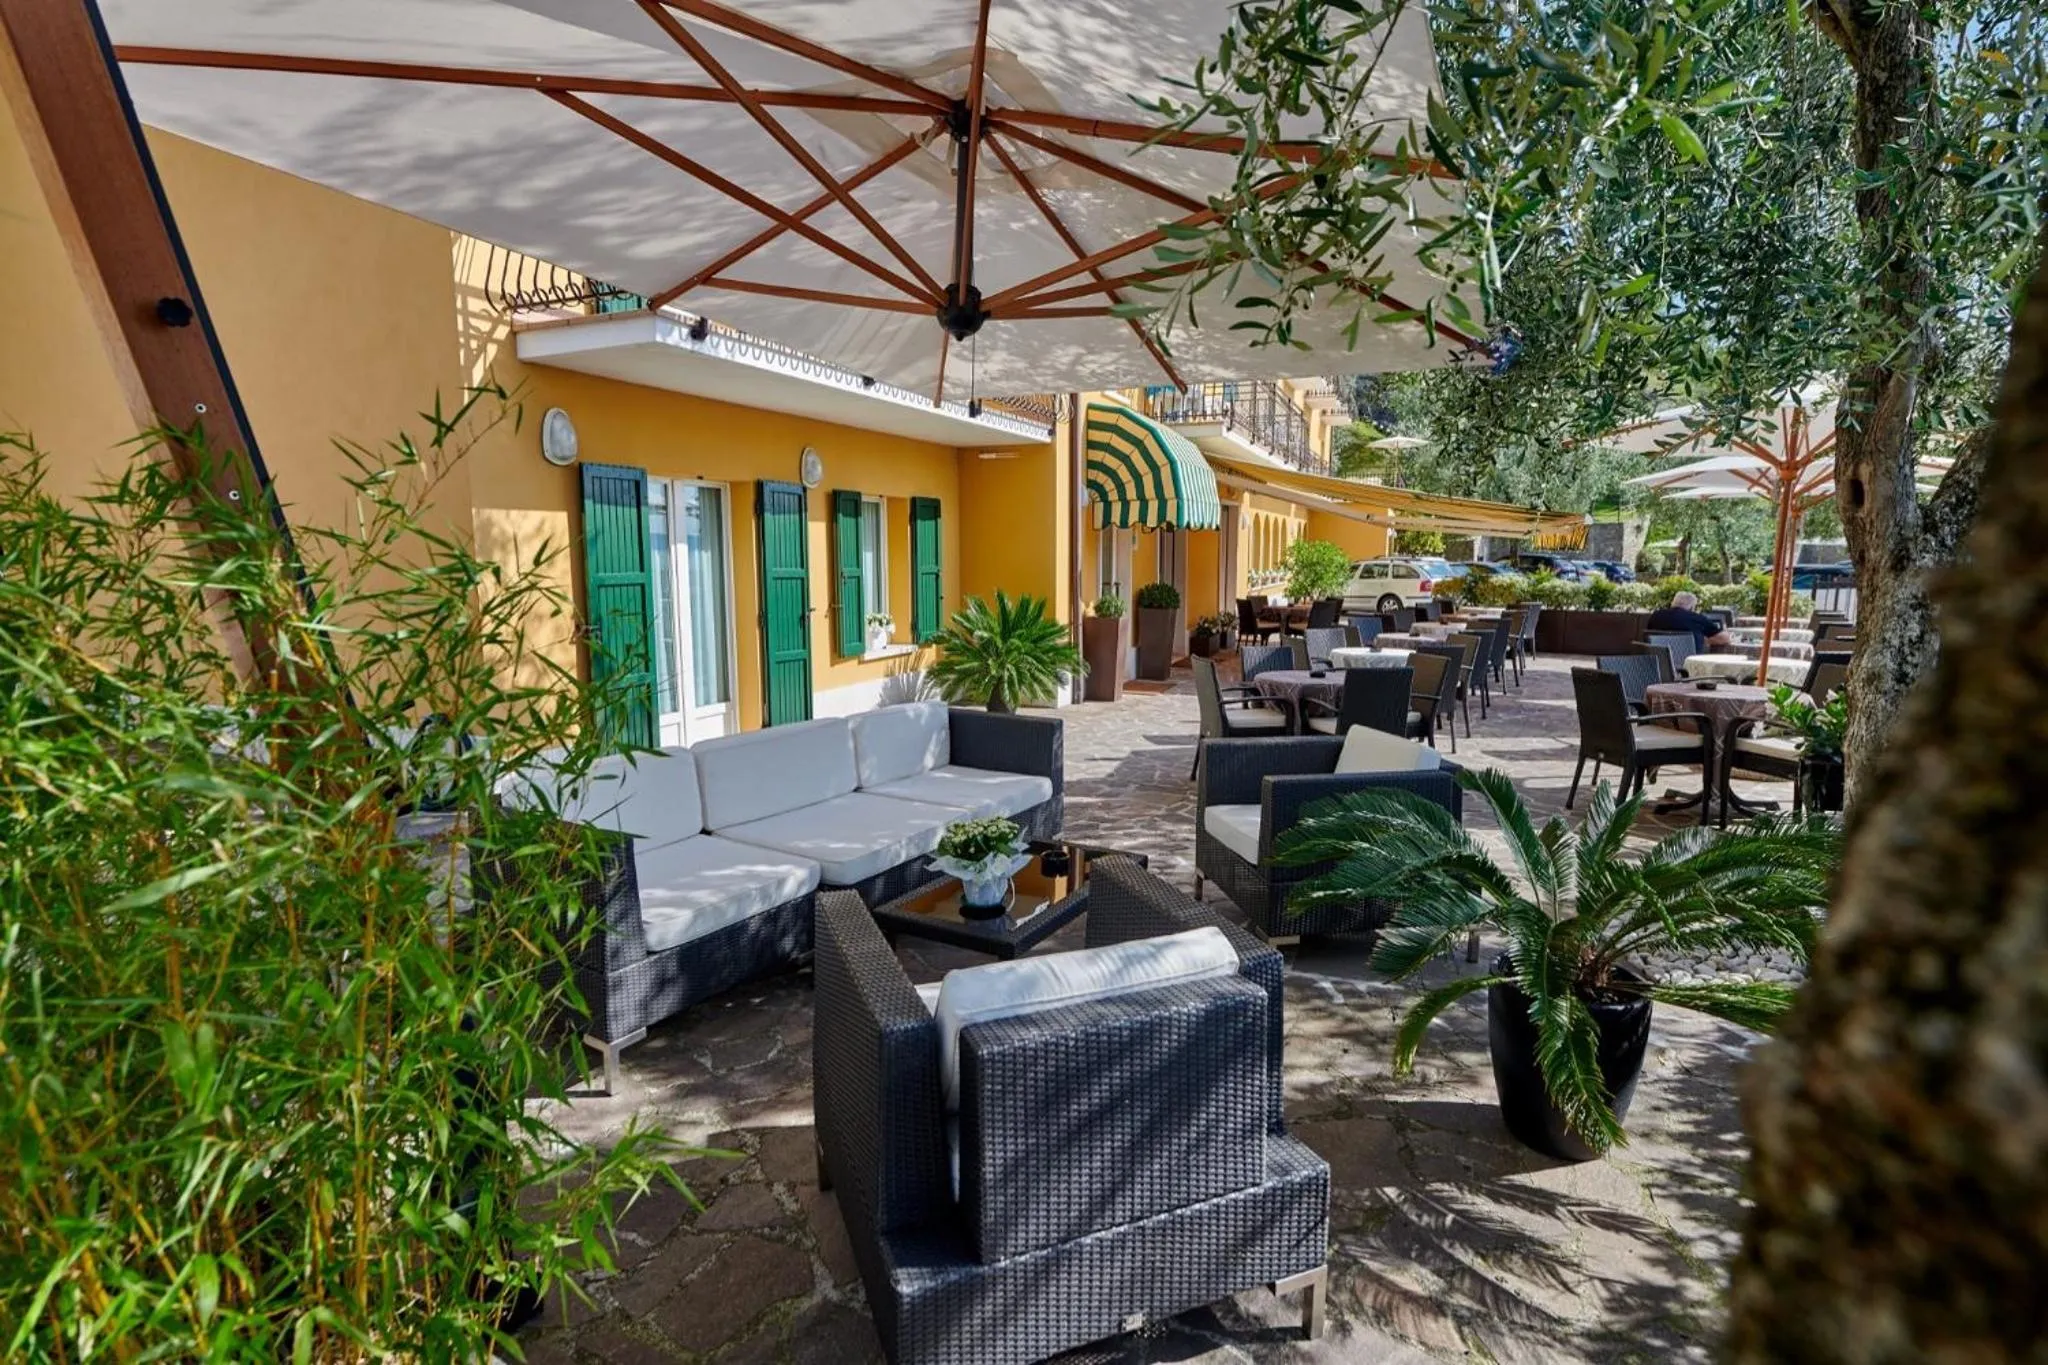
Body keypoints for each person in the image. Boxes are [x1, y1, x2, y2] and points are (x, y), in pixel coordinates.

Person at [1647, 591, 1732, 650]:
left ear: (1673, 603)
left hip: (1660, 663)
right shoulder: (1696, 618)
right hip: (1689, 663)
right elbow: (1725, 638)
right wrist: (1704, 640)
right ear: (1692, 608)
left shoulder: (1656, 616)